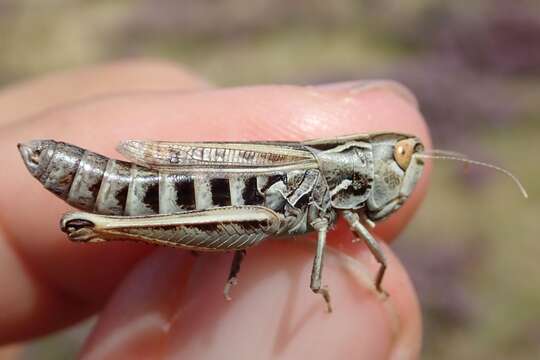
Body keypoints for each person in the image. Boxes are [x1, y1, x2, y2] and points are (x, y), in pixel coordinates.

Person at [0, 60, 429, 359]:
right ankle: (102, 224)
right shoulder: (319, 179)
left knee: (262, 221)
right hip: (138, 187)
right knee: (262, 220)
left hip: (218, 198)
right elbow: (278, 222)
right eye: (400, 156)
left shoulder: (332, 195)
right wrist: (320, 285)